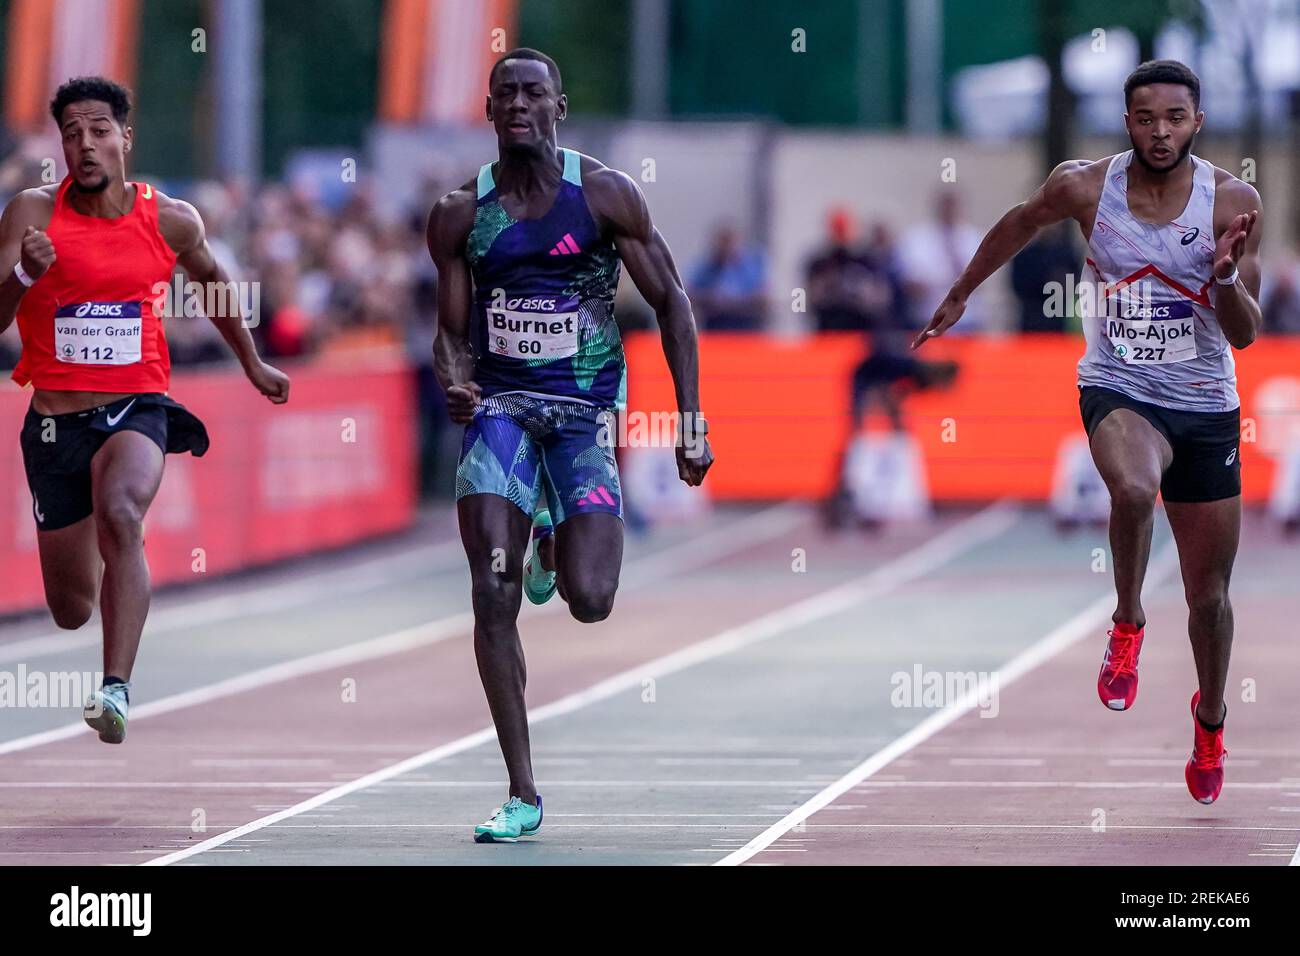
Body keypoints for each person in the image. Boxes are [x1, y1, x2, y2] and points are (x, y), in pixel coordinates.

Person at [914, 60, 1261, 805]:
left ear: (1196, 122)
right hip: (1118, 385)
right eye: (1145, 118)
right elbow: (1019, 222)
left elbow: (1247, 337)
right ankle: (1128, 621)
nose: (1159, 131)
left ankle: (1209, 722)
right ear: (1127, 122)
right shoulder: (1084, 185)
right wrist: (960, 293)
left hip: (1204, 405)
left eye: (1175, 117)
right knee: (1132, 489)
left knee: (1210, 599)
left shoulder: (1230, 199)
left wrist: (1225, 278)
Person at [426, 49, 713, 843]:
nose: (519, 105)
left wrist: (692, 421)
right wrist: (455, 381)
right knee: (491, 592)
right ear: (488, 112)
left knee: (592, 600)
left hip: (584, 412)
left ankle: (554, 546)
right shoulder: (458, 213)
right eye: (505, 94)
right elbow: (450, 337)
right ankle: (522, 790)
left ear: (560, 105)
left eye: (533, 93)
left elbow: (674, 304)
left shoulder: (607, 196)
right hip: (502, 411)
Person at [0, 76, 290, 744]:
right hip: (54, 423)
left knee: (124, 510)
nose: (85, 145)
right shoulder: (30, 216)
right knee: (71, 608)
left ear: (125, 138)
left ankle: (115, 689)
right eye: (71, 134)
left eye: (98, 130)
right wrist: (22, 276)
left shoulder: (172, 219)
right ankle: (108, 566)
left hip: (138, 405)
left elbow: (216, 286)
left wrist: (252, 362)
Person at [686, 222, 767, 331]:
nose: (726, 248)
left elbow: (763, 296)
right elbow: (690, 292)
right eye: (722, 243)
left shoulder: (752, 265)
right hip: (715, 322)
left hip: (745, 323)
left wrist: (736, 302)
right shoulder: (705, 267)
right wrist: (712, 299)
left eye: (729, 243)